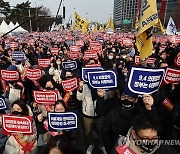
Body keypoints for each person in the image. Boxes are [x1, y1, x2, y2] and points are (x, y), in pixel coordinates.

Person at [111, 113, 178, 154]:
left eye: (154, 137)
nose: (151, 142)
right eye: (146, 138)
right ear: (134, 134)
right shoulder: (120, 150)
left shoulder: (164, 147)